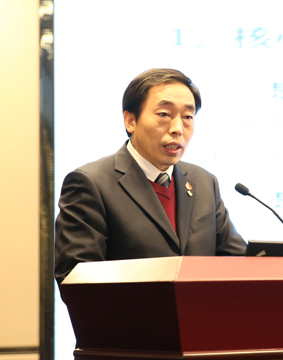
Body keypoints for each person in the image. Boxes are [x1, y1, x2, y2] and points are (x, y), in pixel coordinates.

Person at [54, 68, 246, 286]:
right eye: (164, 114)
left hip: (198, 309)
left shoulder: (204, 182)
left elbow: (237, 261)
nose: (177, 129)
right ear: (130, 121)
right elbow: (77, 279)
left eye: (187, 117)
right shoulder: (90, 183)